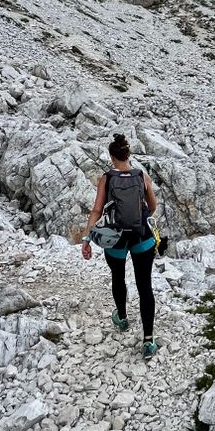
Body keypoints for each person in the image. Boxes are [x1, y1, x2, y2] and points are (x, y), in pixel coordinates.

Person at [81, 134, 159, 359]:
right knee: (145, 286)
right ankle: (148, 340)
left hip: (115, 238)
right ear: (129, 155)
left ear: (112, 156)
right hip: (142, 236)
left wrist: (87, 239)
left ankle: (122, 318)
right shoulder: (142, 176)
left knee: (118, 276)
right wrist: (139, 219)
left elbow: (96, 210)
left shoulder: (107, 178)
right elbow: (152, 206)